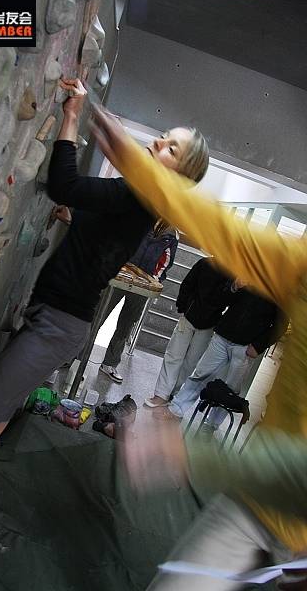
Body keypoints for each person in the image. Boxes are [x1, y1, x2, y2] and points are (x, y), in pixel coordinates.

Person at [0, 81, 210, 574]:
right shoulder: (141, 199)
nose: (158, 142)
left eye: (171, 148)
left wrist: (71, 118)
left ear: (181, 173)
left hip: (58, 326)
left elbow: (63, 185)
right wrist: (75, 216)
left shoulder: (139, 193)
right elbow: (88, 217)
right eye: (164, 137)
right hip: (55, 319)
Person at [91, 106, 307, 590]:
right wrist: (139, 165)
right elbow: (228, 234)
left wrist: (192, 455)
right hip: (255, 505)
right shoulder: (301, 263)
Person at [170, 281, 288, 430]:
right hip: (223, 335)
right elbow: (222, 299)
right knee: (201, 374)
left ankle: (211, 425)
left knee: (231, 389)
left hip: (246, 346)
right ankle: (177, 409)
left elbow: (281, 325)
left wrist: (258, 346)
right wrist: (234, 287)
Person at [144, 256, 232, 412]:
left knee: (191, 362)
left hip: (209, 323)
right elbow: (188, 284)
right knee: (174, 355)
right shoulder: (205, 263)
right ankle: (162, 394)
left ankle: (172, 393)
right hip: (190, 316)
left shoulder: (233, 274)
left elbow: (228, 300)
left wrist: (233, 289)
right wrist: (183, 306)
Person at [98, 219, 179, 384]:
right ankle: (75, 356)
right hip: (121, 272)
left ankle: (109, 363)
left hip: (144, 282)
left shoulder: (172, 234)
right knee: (98, 315)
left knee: (126, 325)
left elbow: (166, 262)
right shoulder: (144, 216)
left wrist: (153, 279)